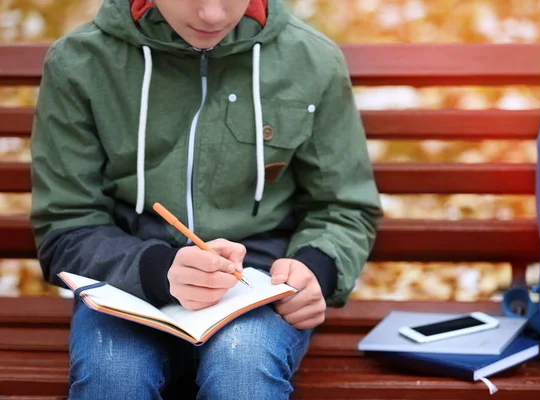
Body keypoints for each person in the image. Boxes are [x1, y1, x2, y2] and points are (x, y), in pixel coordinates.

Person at [30, 0, 382, 398]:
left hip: (257, 286)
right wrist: (159, 272)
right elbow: (66, 225)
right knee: (114, 375)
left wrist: (316, 268)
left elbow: (343, 207)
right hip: (125, 289)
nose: (212, 15)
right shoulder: (80, 62)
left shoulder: (311, 60)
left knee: (242, 370)